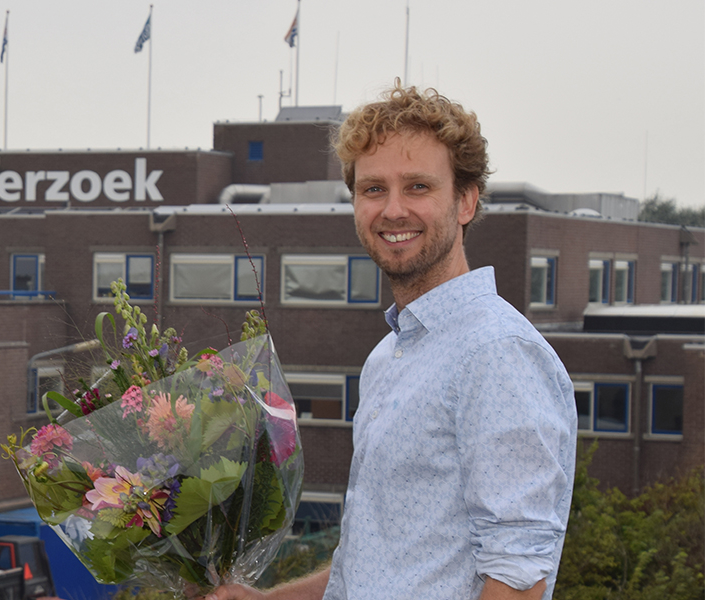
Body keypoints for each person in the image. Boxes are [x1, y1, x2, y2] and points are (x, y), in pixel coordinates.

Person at [209, 85, 577, 599]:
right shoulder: (391, 355)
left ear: (466, 200)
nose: (393, 210)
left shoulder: (496, 352)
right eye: (373, 189)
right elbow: (374, 566)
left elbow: (517, 576)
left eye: (419, 187)